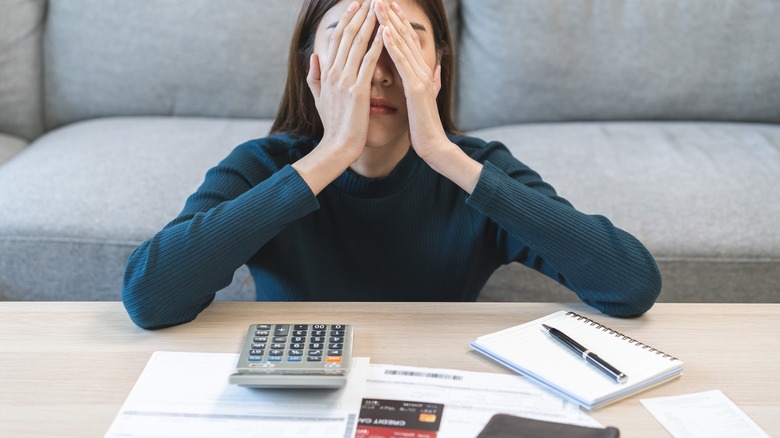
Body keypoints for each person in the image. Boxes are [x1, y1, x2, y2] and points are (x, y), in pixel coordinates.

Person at [122, 0, 662, 329]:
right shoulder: (262, 166)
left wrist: (445, 155)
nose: (378, 73)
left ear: (435, 70)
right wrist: (331, 153)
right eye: (353, 44)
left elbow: (631, 285)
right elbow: (150, 298)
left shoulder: (474, 170)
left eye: (400, 46)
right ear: (312, 66)